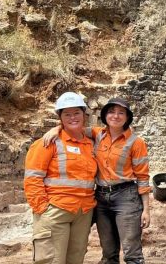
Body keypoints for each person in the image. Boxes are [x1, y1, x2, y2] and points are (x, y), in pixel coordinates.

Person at [45, 97, 151, 264]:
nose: (115, 116)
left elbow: (143, 177)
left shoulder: (136, 143)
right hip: (101, 198)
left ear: (128, 117)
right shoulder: (97, 134)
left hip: (126, 197)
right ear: (105, 115)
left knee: (132, 253)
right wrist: (55, 129)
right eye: (111, 112)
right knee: (108, 253)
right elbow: (73, 127)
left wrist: (146, 209)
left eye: (121, 112)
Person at [24, 92, 97, 264]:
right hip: (56, 210)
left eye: (76, 113)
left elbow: (113, 129)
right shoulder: (48, 142)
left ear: (84, 115)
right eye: (67, 114)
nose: (73, 117)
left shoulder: (91, 143)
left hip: (83, 213)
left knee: (76, 259)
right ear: (60, 117)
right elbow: (32, 178)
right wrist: (42, 208)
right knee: (51, 260)